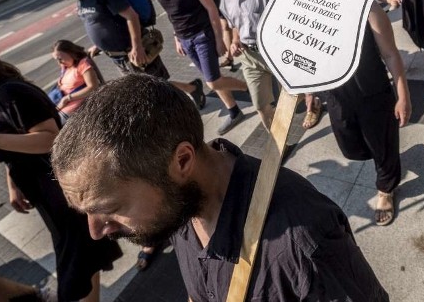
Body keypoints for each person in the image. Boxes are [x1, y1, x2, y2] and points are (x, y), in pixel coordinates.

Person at [51, 74, 390, 301]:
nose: (95, 231)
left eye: (109, 207)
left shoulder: (302, 245)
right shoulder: (178, 207)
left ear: (182, 161)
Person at [0, 45, 122, 302]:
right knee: (84, 260)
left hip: (64, 191)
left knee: (76, 271)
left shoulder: (10, 93)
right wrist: (13, 182)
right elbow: (14, 150)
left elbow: (50, 139)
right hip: (47, 197)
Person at [127, 0, 249, 136]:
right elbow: (172, 13)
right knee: (213, 77)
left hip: (203, 34)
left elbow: (210, 7)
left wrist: (219, 39)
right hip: (185, 39)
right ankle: (234, 111)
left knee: (213, 81)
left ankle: (250, 87)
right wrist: (176, 36)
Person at [43, 0, 207, 110]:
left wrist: (137, 47)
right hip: (118, 56)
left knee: (154, 87)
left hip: (133, 51)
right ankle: (191, 89)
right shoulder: (81, 1)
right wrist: (99, 45)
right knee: (150, 87)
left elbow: (131, 17)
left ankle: (186, 97)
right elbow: (103, 23)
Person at [320, 3, 411, 226]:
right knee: (351, 148)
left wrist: (403, 95)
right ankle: (384, 161)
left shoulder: (369, 8)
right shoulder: (314, 9)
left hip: (373, 93)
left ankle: (386, 189)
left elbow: (390, 54)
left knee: (382, 145)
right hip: (337, 96)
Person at [208, 0, 278, 131]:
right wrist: (235, 41)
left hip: (274, 52)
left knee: (298, 92)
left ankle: (314, 102)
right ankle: (279, 144)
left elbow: (283, 19)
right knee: (261, 106)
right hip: (249, 57)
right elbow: (236, 25)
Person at [50, 40, 103, 120]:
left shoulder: (83, 64)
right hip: (63, 103)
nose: (59, 62)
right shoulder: (65, 67)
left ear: (70, 53)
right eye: (56, 60)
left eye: (60, 59)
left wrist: (68, 98)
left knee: (54, 124)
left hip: (76, 104)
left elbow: (93, 87)